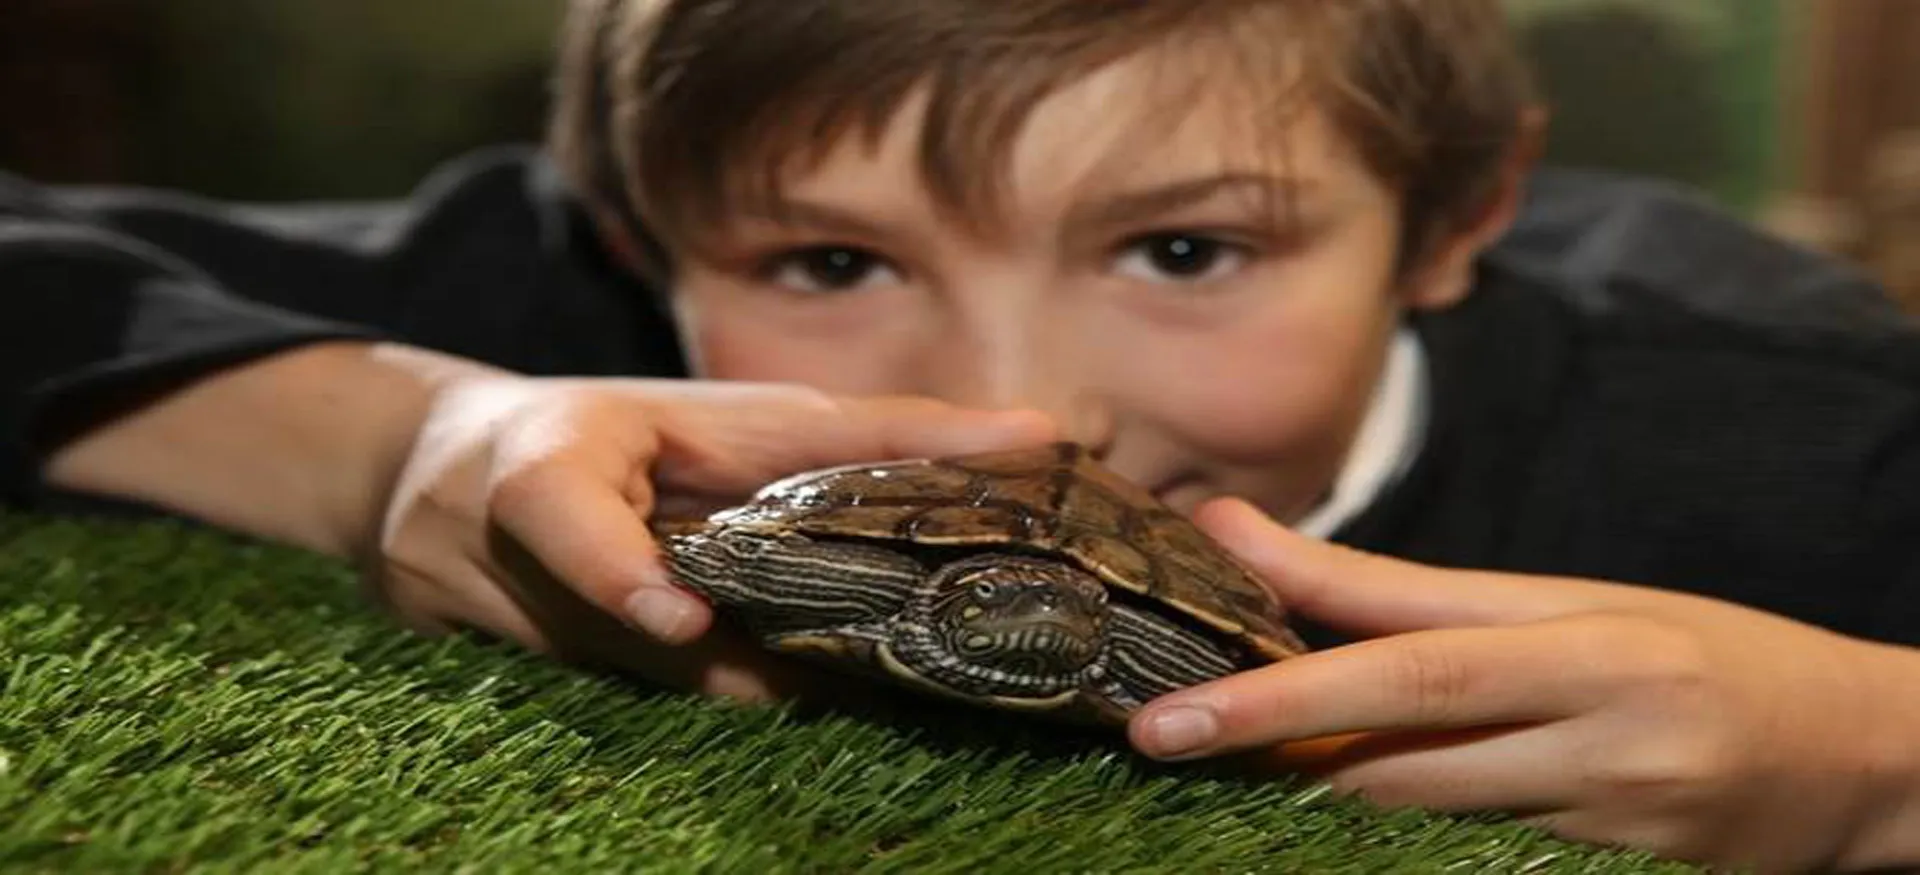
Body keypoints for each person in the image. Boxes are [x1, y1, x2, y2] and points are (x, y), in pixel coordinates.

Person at [4, 0, 1918, 868]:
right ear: (627, 236)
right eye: (830, 258)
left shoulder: (1791, 422)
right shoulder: (583, 316)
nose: (1032, 410)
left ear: (1449, 227)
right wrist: (389, 435)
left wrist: (1872, 759)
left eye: (1183, 247)